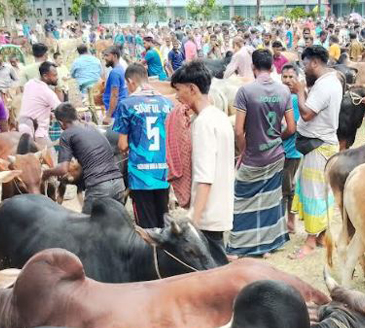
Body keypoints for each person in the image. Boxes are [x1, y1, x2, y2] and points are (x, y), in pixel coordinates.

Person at [226, 49, 294, 258]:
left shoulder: (246, 92)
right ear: (273, 67)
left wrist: (244, 150)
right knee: (270, 200)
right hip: (276, 155)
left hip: (253, 157)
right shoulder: (284, 91)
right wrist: (275, 140)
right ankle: (266, 246)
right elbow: (291, 128)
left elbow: (238, 130)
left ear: (253, 68)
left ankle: (238, 247)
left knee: (242, 199)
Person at [169, 61, 234, 258]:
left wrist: (194, 220)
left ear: (192, 89)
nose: (177, 97)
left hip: (207, 215)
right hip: (219, 209)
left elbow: (204, 176)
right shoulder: (219, 117)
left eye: (179, 90)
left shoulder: (203, 123)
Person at [286, 45, 340, 259]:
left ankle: (310, 241)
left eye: (305, 63)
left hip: (319, 145)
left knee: (314, 192)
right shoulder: (329, 81)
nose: (304, 67)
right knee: (321, 191)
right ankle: (321, 235)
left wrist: (300, 91)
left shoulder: (325, 85)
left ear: (315, 62)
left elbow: (307, 114)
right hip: (321, 144)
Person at [113, 64, 173, 228]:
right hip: (163, 173)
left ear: (130, 81)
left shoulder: (127, 104)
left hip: (140, 176)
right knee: (164, 222)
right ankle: (165, 253)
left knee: (147, 226)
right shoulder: (167, 104)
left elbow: (123, 145)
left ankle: (151, 254)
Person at [46, 102, 126, 213]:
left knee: (88, 227)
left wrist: (46, 173)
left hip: (99, 187)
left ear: (61, 123)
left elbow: (63, 169)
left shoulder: (67, 134)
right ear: (77, 116)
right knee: (115, 226)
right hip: (118, 183)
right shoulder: (91, 128)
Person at [280, 64, 303, 233]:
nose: (287, 80)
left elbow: (291, 128)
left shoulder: (294, 99)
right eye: (285, 77)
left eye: (291, 77)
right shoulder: (283, 96)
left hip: (290, 150)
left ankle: (290, 223)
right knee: (286, 187)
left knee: (287, 189)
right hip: (286, 150)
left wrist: (275, 140)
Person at [18, 61, 64, 141]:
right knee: (51, 153)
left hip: (22, 127)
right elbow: (62, 110)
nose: (57, 78)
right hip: (38, 133)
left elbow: (35, 104)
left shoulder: (29, 84)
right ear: (45, 76)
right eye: (54, 75)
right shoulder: (46, 92)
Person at [102, 46, 128, 125]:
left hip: (115, 113)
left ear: (115, 56)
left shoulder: (115, 73)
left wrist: (108, 116)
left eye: (107, 55)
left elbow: (114, 95)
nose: (104, 58)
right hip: (119, 109)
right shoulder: (120, 69)